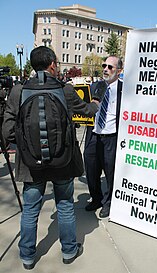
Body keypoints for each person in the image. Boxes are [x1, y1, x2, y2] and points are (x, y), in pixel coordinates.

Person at [2, 46, 100, 270]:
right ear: (53, 64)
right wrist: (95, 103)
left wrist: (25, 145)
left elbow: (6, 131)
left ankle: (27, 256)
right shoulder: (64, 90)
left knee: (30, 209)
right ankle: (68, 251)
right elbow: (86, 111)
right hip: (62, 161)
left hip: (30, 164)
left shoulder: (19, 91)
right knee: (65, 205)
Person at [84, 55, 123, 218]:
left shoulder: (124, 89)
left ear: (119, 71)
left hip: (112, 136)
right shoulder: (94, 86)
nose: (105, 69)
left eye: (110, 67)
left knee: (110, 171)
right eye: (104, 66)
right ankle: (96, 198)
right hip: (94, 134)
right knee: (91, 169)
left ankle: (108, 202)